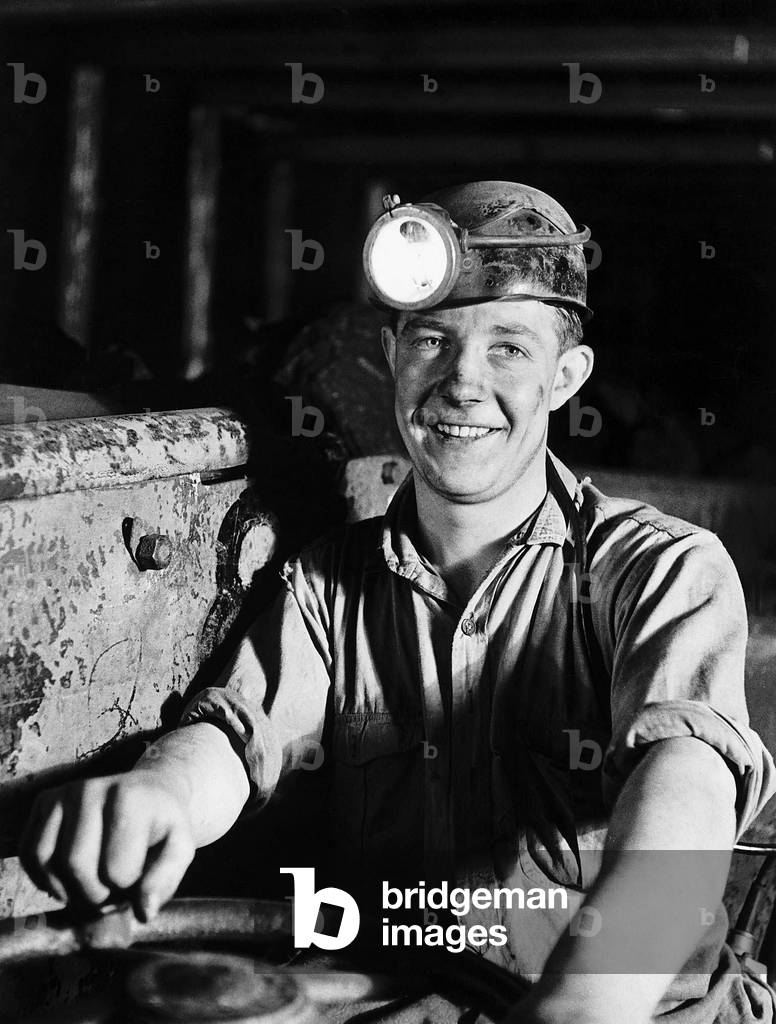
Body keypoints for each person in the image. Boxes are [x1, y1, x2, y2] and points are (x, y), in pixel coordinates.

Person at [19, 181, 776, 1024]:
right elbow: (233, 741)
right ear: (391, 354)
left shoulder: (659, 568)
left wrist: (590, 998)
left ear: (567, 376)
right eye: (431, 341)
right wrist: (156, 795)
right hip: (404, 997)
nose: (460, 382)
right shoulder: (328, 583)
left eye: (509, 350)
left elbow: (688, 788)